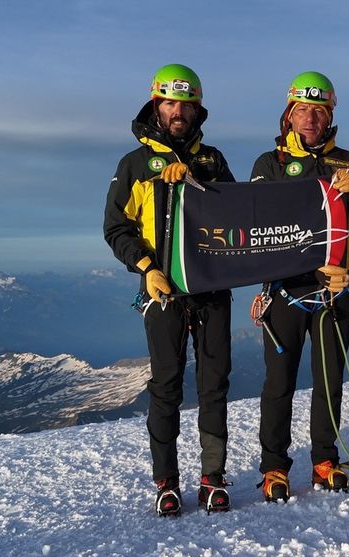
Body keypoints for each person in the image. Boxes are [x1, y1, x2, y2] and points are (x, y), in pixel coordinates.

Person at [103, 63, 236, 517]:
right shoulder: (135, 164)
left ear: (198, 110)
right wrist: (146, 268)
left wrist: (197, 180)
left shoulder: (213, 160)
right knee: (166, 386)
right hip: (163, 291)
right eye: (170, 104)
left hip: (212, 288)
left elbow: (236, 217)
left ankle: (212, 478)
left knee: (214, 384)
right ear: (156, 105)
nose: (178, 112)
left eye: (186, 105)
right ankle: (167, 482)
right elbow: (116, 228)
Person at [250, 71, 349, 502]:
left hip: (337, 286)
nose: (310, 119)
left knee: (329, 378)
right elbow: (255, 226)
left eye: (319, 111)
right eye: (302, 109)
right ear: (289, 114)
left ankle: (324, 459)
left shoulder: (347, 161)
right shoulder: (269, 164)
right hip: (285, 288)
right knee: (278, 381)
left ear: (330, 116)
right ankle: (274, 466)